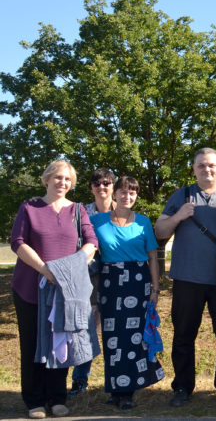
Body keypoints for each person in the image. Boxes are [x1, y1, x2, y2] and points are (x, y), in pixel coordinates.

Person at [10, 160, 98, 419]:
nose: (63, 183)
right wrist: (46, 271)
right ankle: (34, 400)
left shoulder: (78, 210)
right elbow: (18, 242)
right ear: (46, 179)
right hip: (31, 288)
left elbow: (91, 241)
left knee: (62, 341)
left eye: (68, 179)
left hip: (65, 291)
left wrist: (72, 267)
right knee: (33, 343)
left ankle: (56, 397)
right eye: (58, 177)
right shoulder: (30, 207)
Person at [155, 147, 216, 406]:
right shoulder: (181, 195)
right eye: (201, 165)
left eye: (212, 165)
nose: (207, 169)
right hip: (187, 278)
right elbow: (159, 231)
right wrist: (179, 216)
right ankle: (182, 388)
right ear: (193, 169)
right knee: (183, 336)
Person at [92, 176, 164, 410]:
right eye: (123, 192)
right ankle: (114, 389)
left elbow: (153, 256)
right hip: (110, 284)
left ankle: (129, 391)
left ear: (136, 196)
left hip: (138, 282)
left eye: (132, 193)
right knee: (112, 339)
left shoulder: (143, 222)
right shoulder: (97, 221)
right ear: (115, 194)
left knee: (134, 338)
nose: (127, 196)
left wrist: (155, 288)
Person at [68, 167, 117, 399]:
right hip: (88, 277)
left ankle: (115, 379)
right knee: (86, 329)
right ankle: (79, 380)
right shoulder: (80, 212)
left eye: (106, 183)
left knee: (113, 331)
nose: (102, 187)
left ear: (113, 186)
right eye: (96, 183)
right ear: (91, 187)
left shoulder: (124, 210)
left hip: (117, 276)